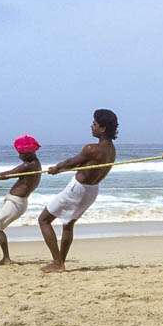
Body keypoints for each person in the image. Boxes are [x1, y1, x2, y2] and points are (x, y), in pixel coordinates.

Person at [39, 110, 118, 272]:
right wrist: (63, 168)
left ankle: (57, 262)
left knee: (44, 220)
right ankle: (60, 262)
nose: (92, 126)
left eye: (95, 124)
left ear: (102, 128)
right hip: (92, 191)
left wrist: (57, 168)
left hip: (78, 190)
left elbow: (71, 162)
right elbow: (83, 165)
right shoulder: (112, 149)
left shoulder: (92, 148)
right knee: (68, 224)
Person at [0, 135, 42, 267]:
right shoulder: (35, 163)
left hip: (16, 203)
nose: (19, 156)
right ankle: (4, 258)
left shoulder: (29, 165)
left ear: (27, 153)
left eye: (21, 153)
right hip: (17, 202)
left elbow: (5, 175)